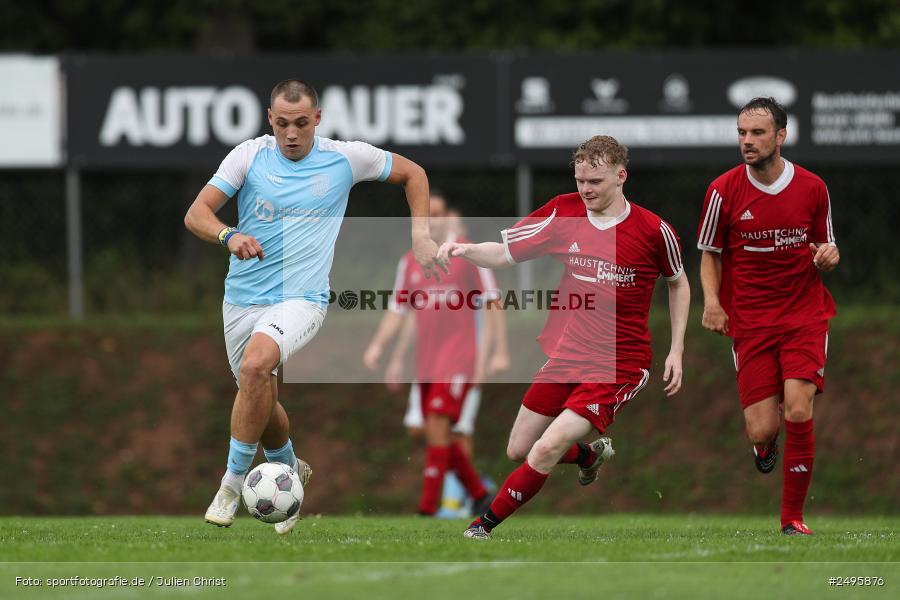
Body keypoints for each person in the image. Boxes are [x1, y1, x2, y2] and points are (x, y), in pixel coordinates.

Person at [184, 79, 444, 534]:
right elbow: (197, 214)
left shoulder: (345, 158)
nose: (291, 133)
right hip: (241, 299)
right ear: (270, 120)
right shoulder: (249, 155)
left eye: (301, 123)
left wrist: (420, 235)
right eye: (282, 123)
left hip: (302, 299)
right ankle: (290, 469)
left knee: (256, 367)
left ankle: (230, 486)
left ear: (317, 119)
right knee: (258, 397)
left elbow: (414, 174)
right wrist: (229, 235)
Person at [438, 135, 690, 540]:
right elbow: (504, 254)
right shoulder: (564, 212)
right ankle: (589, 455)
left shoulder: (654, 230)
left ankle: (481, 528)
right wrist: (461, 250)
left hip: (618, 363)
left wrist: (676, 350)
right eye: (580, 181)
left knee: (544, 448)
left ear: (621, 176)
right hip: (569, 352)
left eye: (596, 182)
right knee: (518, 448)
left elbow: (678, 284)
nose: (586, 190)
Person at [697, 97, 839, 536]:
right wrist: (713, 302)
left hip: (803, 315)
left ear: (781, 136)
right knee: (761, 428)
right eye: (741, 133)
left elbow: (825, 246)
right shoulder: (723, 190)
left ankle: (792, 519)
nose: (747, 141)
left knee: (798, 409)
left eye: (757, 133)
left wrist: (829, 257)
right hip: (752, 321)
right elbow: (709, 254)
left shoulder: (813, 187)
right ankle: (765, 447)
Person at [363, 194, 507, 516]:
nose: (433, 222)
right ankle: (479, 493)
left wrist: (498, 352)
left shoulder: (468, 253)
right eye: (427, 217)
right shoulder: (410, 261)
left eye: (439, 214)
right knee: (424, 429)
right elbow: (399, 310)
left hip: (459, 357)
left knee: (442, 425)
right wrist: (379, 347)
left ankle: (428, 508)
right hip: (427, 361)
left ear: (448, 217)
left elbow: (493, 301)